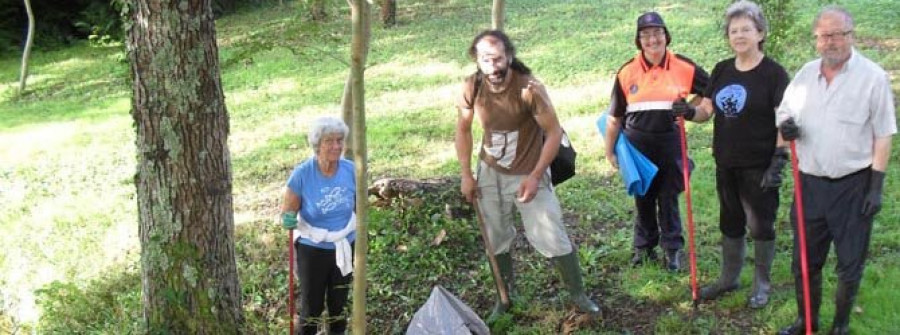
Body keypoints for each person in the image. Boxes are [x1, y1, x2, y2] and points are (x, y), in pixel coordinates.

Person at [455, 30, 600, 323]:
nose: (493, 66)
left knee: (551, 231)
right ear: (477, 60)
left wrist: (535, 176)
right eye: (486, 59)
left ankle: (578, 295)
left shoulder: (529, 88)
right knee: (494, 236)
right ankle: (504, 297)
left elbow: (554, 132)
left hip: (529, 169)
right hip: (490, 170)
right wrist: (467, 174)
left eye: (498, 59)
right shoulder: (472, 86)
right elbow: (463, 128)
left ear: (509, 56)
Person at [774, 6, 896, 335]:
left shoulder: (873, 78)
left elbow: (884, 133)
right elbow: (784, 114)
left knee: (849, 265)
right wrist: (785, 133)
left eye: (840, 34)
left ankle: (840, 326)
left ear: (851, 36)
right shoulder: (804, 75)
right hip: (809, 185)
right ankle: (806, 321)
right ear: (816, 39)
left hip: (853, 186)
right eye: (825, 35)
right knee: (803, 262)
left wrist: (876, 185)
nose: (833, 41)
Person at [678, 0, 789, 309]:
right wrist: (688, 111)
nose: (739, 35)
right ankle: (729, 278)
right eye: (733, 30)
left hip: (760, 164)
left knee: (761, 225)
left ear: (760, 33)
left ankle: (762, 284)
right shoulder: (722, 69)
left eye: (746, 29)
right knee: (730, 220)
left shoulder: (774, 74)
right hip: (726, 162)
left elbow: (785, 119)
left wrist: (779, 159)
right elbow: (707, 110)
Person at [602, 11, 709, 271]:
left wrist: (690, 110)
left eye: (657, 33)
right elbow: (615, 117)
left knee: (669, 197)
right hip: (637, 147)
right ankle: (644, 247)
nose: (652, 40)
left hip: (670, 143)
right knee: (644, 197)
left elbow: (712, 89)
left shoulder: (684, 66)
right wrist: (610, 152)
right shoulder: (626, 72)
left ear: (666, 36)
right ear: (639, 40)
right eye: (646, 35)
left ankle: (673, 249)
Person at [280, 116, 357, 335]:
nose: (336, 146)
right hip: (313, 249)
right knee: (312, 307)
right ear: (317, 145)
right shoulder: (303, 174)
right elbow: (288, 212)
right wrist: (287, 219)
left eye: (340, 140)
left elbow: (358, 206)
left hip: (345, 244)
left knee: (338, 305)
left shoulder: (351, 170)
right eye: (329, 141)